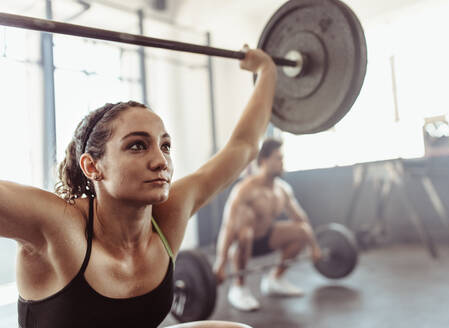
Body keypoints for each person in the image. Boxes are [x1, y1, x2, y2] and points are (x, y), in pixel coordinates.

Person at [0, 46, 276, 328]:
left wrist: (267, 71)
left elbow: (243, 146)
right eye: (137, 146)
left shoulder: (169, 215)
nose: (161, 161)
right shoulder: (59, 225)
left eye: (165, 146)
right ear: (92, 166)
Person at [213, 138, 322, 312]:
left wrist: (314, 247)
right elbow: (228, 227)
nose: (282, 163)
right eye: (278, 158)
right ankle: (239, 288)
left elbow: (301, 219)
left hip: (267, 238)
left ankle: (275, 280)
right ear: (264, 161)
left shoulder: (282, 189)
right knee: (246, 232)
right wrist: (220, 263)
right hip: (242, 244)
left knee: (302, 231)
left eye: (283, 158)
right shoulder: (245, 190)